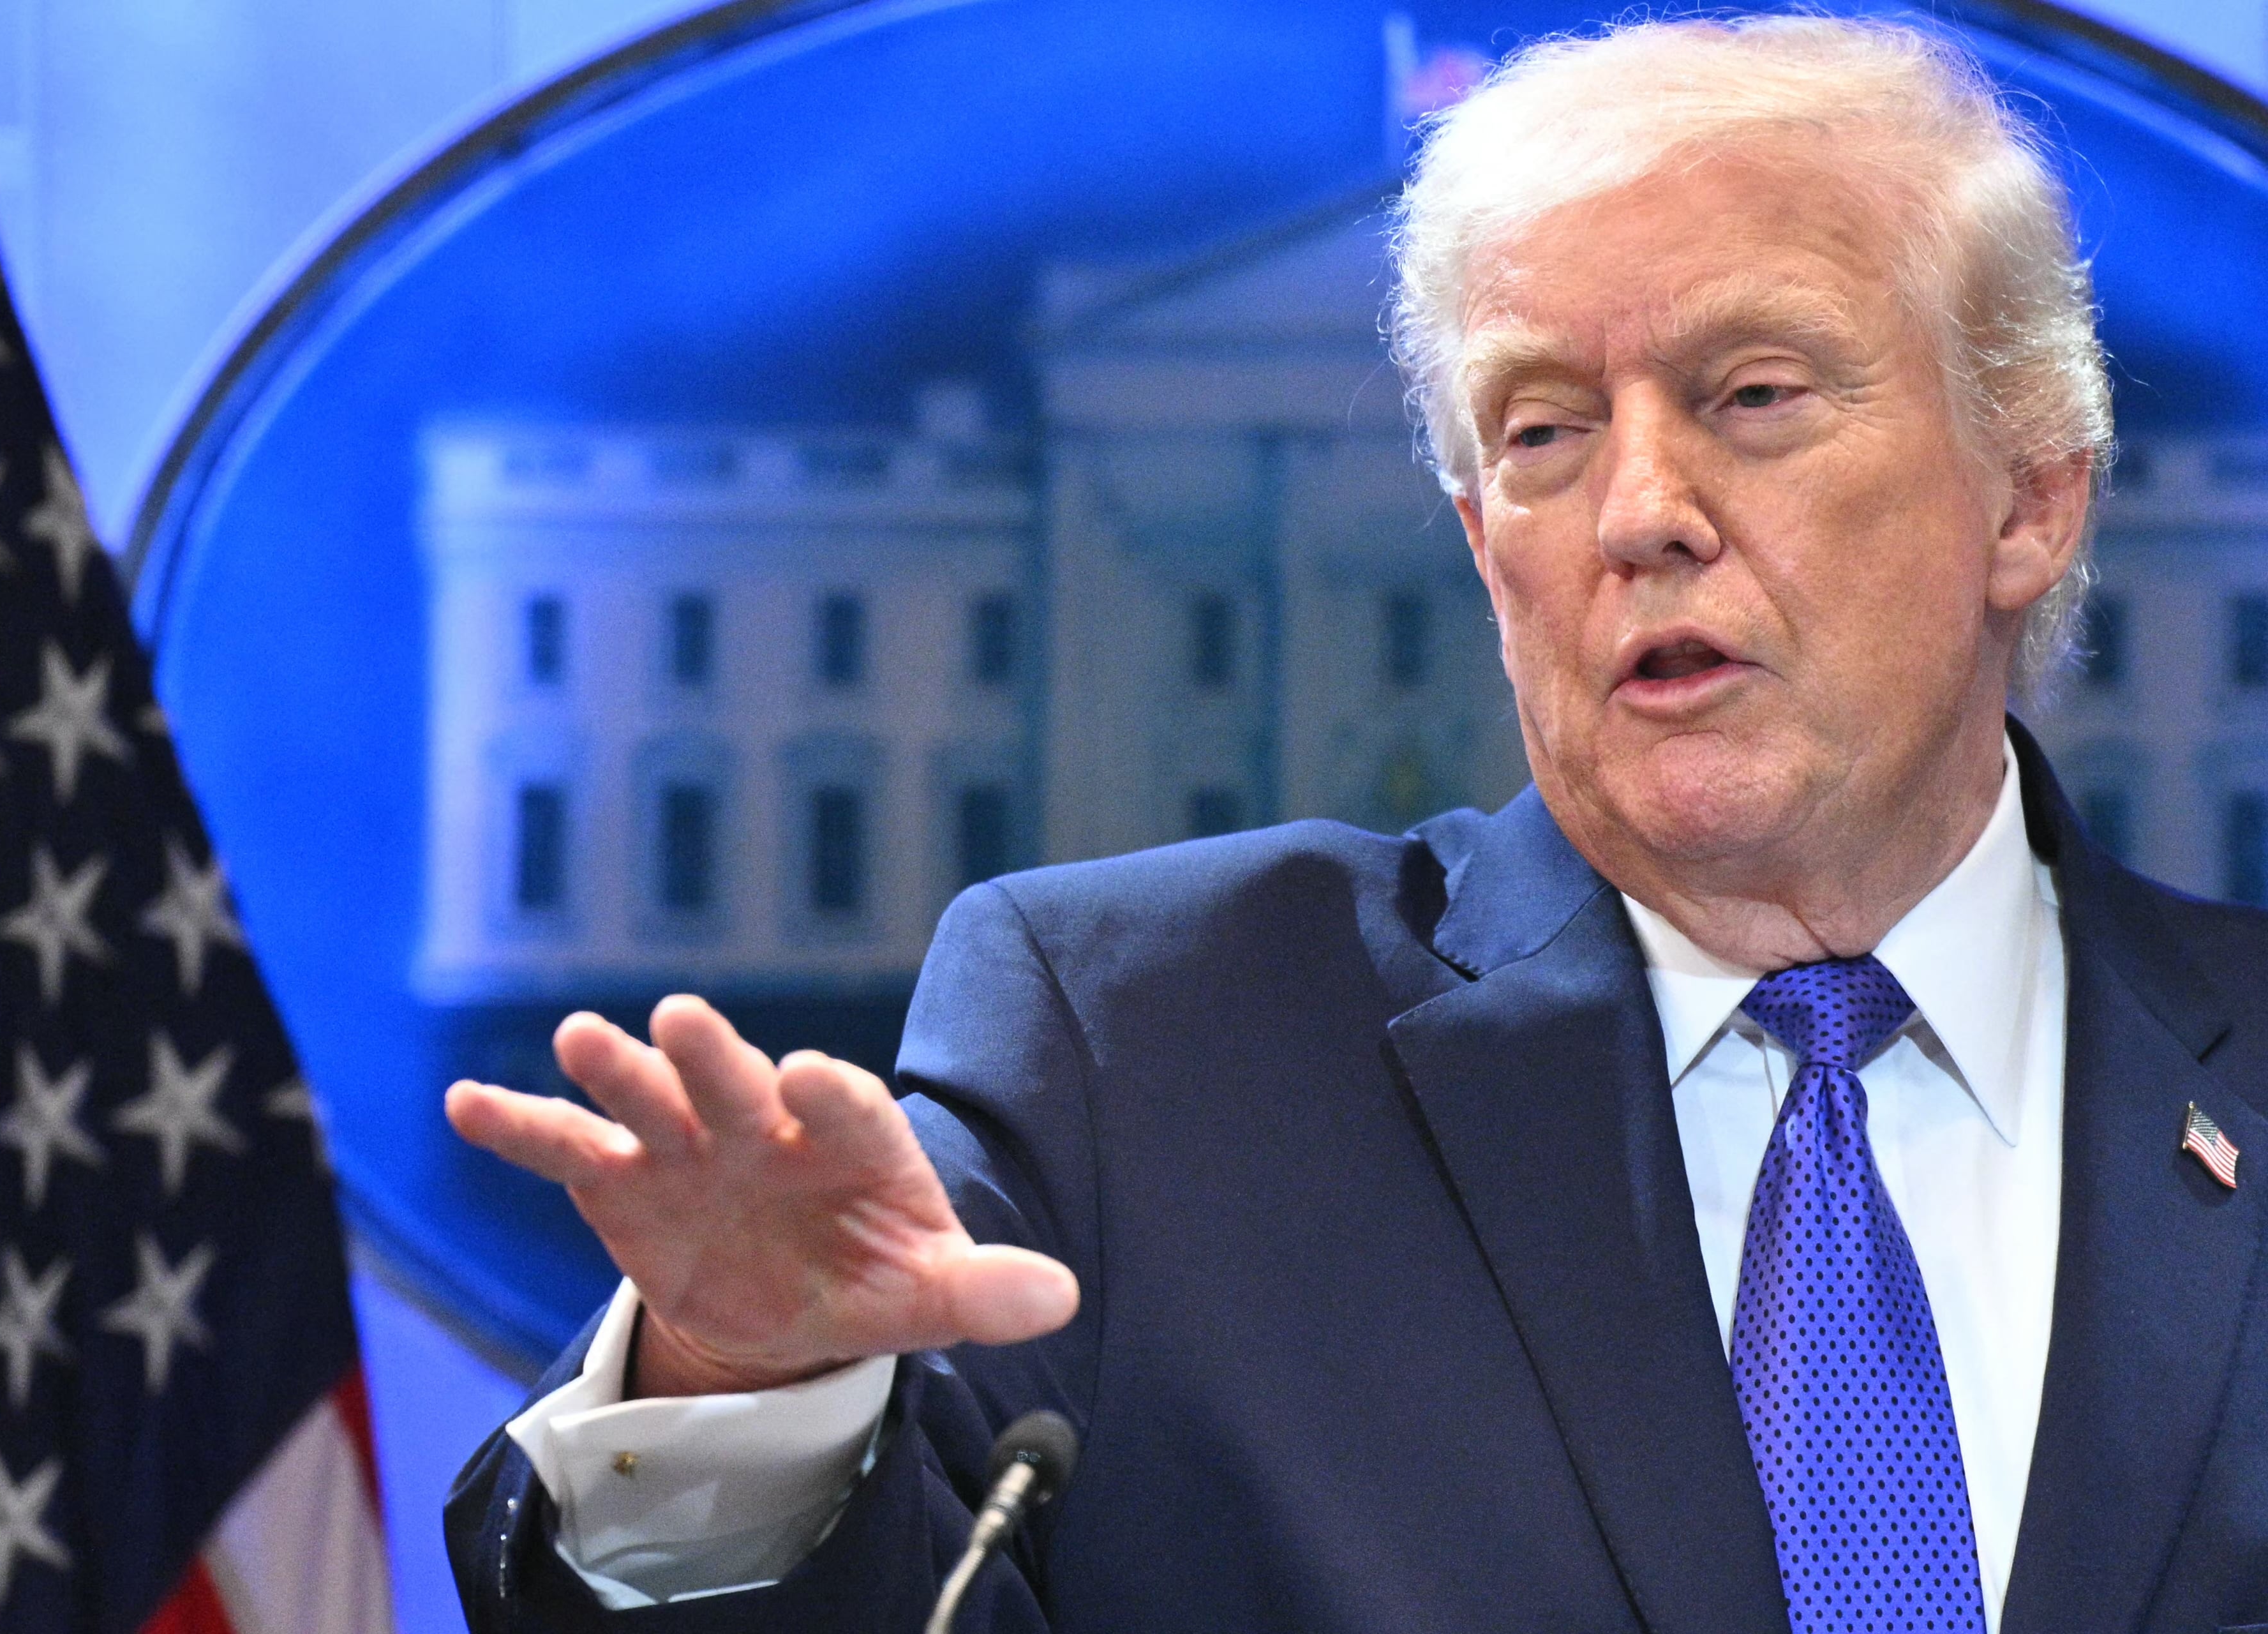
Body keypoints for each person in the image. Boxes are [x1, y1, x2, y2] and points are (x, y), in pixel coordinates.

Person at [443, 17, 2268, 1633]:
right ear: (1486, 551)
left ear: (2029, 498)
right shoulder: (1144, 1045)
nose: (1638, 511)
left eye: (1754, 397)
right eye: (1542, 433)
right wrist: (754, 1396)